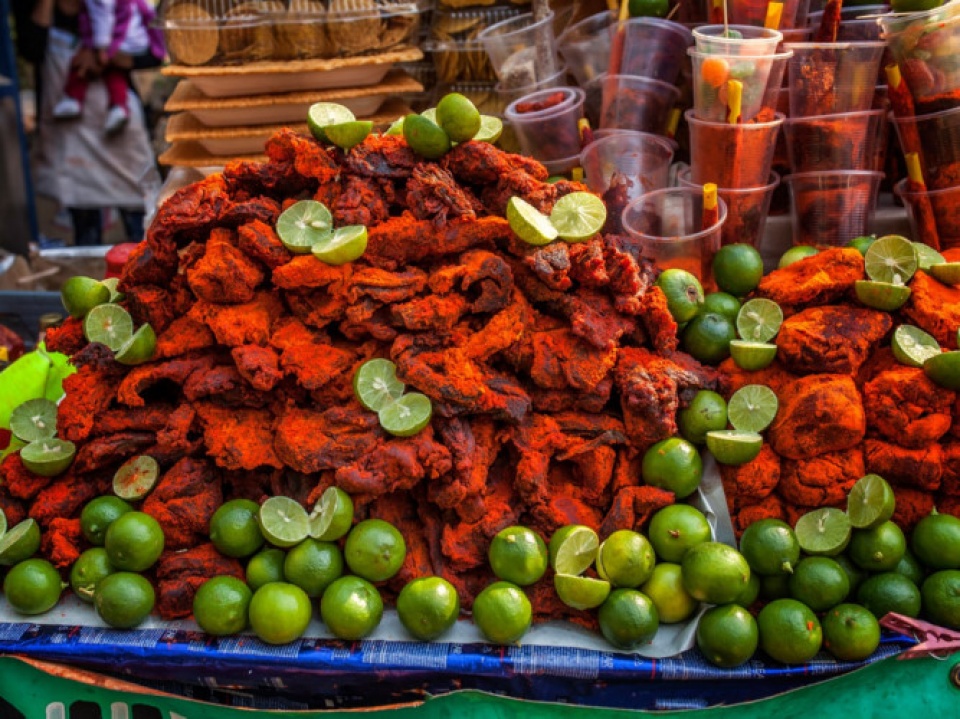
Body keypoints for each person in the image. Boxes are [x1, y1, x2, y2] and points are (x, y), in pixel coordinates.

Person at [13, 0, 163, 245]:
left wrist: (108, 57)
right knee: (85, 227)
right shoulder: (35, 7)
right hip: (68, 127)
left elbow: (152, 53)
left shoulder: (111, 5)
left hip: (119, 126)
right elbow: (32, 50)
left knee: (142, 225)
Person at [52, 0, 164, 136]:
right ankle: (115, 105)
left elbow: (103, 17)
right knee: (110, 72)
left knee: (104, 70)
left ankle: (76, 97)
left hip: (119, 42)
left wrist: (102, 49)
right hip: (121, 41)